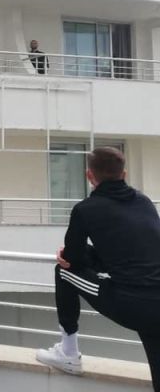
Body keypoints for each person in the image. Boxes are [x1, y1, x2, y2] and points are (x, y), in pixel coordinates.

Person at [36, 147, 160, 389]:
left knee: (63, 272)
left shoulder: (85, 209)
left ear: (89, 176)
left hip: (131, 302)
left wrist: (75, 254)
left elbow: (72, 259)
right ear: (124, 174)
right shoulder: (144, 202)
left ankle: (69, 353)